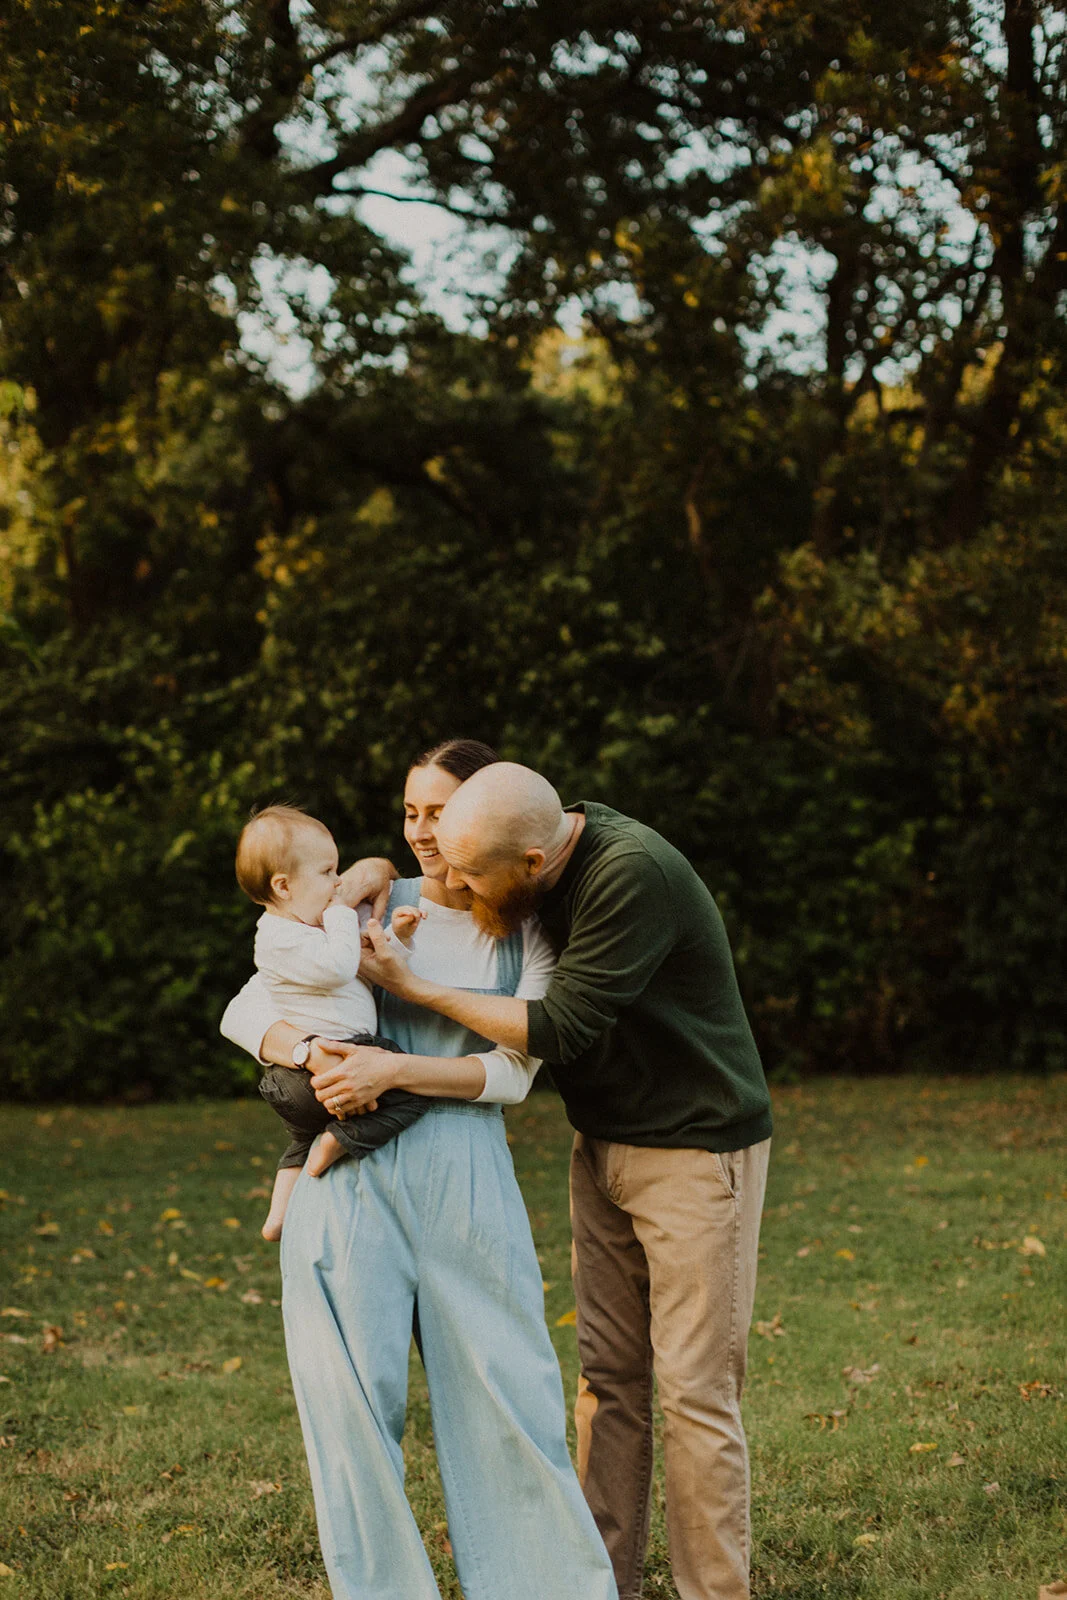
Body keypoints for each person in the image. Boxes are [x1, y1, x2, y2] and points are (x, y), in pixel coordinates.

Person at [334, 762, 773, 1600]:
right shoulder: (523, 841)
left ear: (532, 864)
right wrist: (370, 872)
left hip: (692, 1151)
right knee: (607, 1380)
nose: (455, 884)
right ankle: (595, 1584)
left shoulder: (627, 876)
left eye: (471, 874)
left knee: (693, 1392)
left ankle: (712, 1592)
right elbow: (425, 858)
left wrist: (412, 986)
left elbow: (559, 1027)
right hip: (603, 1144)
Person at [220, 741, 618, 1600]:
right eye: (411, 812)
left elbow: (512, 1074)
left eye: (440, 812)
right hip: (347, 1189)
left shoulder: (529, 934)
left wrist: (392, 1070)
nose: (423, 832)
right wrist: (310, 1050)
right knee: (350, 1419)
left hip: (465, 1182)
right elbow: (248, 1004)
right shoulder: (357, 897)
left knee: (507, 1402)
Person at [232, 802, 427, 1240]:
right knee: (412, 1085)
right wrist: (341, 910)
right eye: (327, 873)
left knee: (298, 1142)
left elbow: (370, 963)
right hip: (319, 1062)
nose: (339, 884)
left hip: (300, 1075)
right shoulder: (279, 938)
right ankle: (340, 1140)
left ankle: (278, 1215)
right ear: (283, 886)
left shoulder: (307, 927)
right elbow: (341, 966)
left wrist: (400, 936)